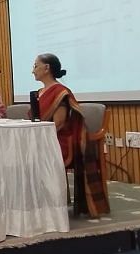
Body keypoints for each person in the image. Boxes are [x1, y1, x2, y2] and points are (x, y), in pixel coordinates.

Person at [32, 53, 110, 217]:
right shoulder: (40, 91)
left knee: (28, 154)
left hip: (60, 140)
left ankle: (48, 203)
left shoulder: (60, 92)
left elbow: (58, 124)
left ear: (47, 68)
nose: (33, 71)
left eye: (35, 66)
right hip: (44, 138)